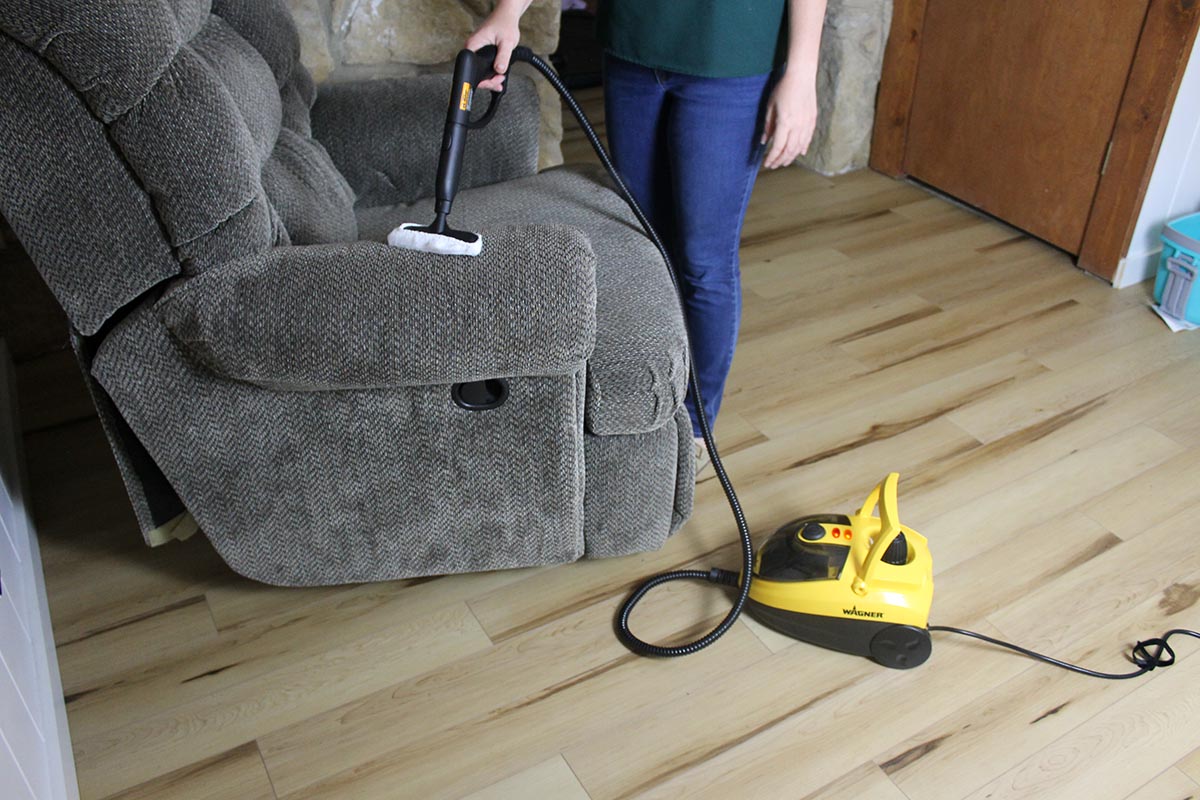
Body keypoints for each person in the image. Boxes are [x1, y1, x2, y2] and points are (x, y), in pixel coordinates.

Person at [467, 0, 825, 473]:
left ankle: (695, 429)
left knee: (702, 260)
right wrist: (509, 12)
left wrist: (801, 73)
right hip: (634, 42)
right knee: (642, 245)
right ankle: (643, 407)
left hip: (732, 52)